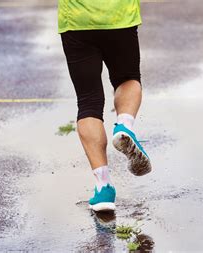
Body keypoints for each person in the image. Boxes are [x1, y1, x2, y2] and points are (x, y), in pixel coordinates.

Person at [58, 0, 152, 212]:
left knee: (88, 101)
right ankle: (124, 126)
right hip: (119, 17)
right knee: (127, 79)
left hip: (77, 20)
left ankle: (103, 189)